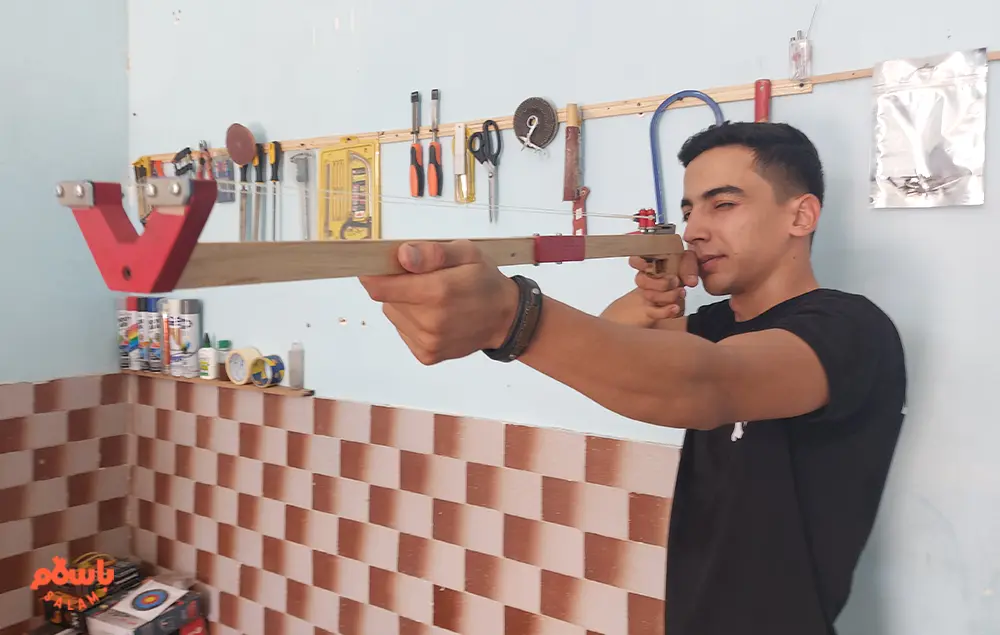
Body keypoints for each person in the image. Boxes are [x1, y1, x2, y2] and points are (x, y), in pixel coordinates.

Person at [359, 121, 907, 634]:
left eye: (723, 204)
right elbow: (617, 352)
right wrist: (652, 300)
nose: (695, 230)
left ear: (801, 216)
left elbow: (701, 386)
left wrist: (511, 317)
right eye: (690, 210)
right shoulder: (716, 325)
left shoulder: (850, 329)